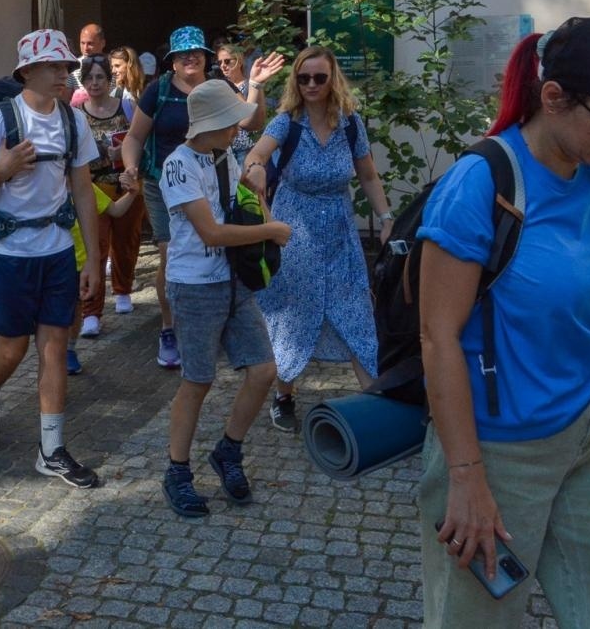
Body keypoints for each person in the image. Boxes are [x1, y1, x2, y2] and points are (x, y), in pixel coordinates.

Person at [417, 16, 590, 627]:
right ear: (553, 97)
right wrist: (466, 477)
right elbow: (438, 338)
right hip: (499, 451)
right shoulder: (479, 184)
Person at [0, 29, 102, 487]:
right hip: (9, 252)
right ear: (28, 72)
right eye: (55, 66)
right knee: (12, 349)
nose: (65, 73)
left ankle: (52, 449)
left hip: (57, 248)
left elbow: (82, 188)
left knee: (55, 347)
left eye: (66, 66)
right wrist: (2, 171)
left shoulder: (72, 120)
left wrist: (93, 256)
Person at [239, 46, 392, 431]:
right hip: (294, 229)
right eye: (303, 77)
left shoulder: (350, 123)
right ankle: (284, 396)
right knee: (293, 312)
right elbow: (255, 155)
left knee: (355, 307)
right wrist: (255, 168)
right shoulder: (286, 122)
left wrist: (387, 216)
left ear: (332, 79)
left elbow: (369, 176)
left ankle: (376, 403)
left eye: (319, 77)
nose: (310, 84)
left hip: (339, 229)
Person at [159, 81, 290, 517]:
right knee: (197, 381)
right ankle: (177, 471)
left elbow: (243, 209)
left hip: (234, 281)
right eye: (231, 122)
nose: (238, 129)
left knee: (263, 369)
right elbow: (211, 232)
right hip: (196, 286)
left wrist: (259, 193)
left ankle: (228, 450)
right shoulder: (178, 166)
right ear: (212, 125)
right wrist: (271, 231)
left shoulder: (226, 157)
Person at [120, 25, 280, 369]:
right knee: (170, 251)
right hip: (166, 179)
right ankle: (169, 327)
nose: (190, 58)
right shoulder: (158, 91)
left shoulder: (219, 86)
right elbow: (134, 137)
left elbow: (251, 123)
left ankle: (212, 319)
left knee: (216, 245)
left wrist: (257, 85)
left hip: (214, 176)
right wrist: (131, 168)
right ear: (172, 61)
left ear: (206, 58)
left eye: (196, 52)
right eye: (182, 53)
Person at [72, 54, 142, 335]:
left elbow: (140, 142)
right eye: (89, 78)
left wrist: (124, 157)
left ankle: (123, 290)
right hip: (92, 189)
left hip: (126, 185)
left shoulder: (127, 107)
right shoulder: (76, 115)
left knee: (127, 244)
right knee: (95, 249)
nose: (95, 82)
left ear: (109, 80)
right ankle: (91, 311)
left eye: (100, 77)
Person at [65, 180, 139, 374]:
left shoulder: (85, 188)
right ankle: (53, 352)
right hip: (52, 262)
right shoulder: (40, 190)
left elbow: (114, 210)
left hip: (80, 265)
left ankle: (69, 350)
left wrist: (132, 193)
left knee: (75, 308)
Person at [215, 41, 268, 169]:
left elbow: (259, 117)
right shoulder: (219, 87)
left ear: (240, 60)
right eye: (219, 62)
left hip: (247, 148)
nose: (223, 66)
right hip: (225, 149)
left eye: (227, 61)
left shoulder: (252, 85)